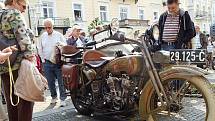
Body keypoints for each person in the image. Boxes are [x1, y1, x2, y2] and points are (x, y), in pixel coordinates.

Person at [0, 0, 36, 121]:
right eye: (23, 6)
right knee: (26, 102)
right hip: (20, 66)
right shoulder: (14, 13)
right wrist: (31, 58)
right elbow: (23, 38)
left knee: (11, 103)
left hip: (5, 66)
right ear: (14, 1)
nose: (24, 10)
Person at [37, 18, 67, 106]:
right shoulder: (42, 36)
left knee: (61, 81)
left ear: (53, 26)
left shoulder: (59, 35)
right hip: (47, 62)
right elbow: (39, 48)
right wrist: (43, 60)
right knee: (50, 82)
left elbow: (65, 46)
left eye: (49, 27)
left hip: (58, 62)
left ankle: (63, 99)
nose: (47, 29)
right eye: (45, 27)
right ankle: (54, 97)